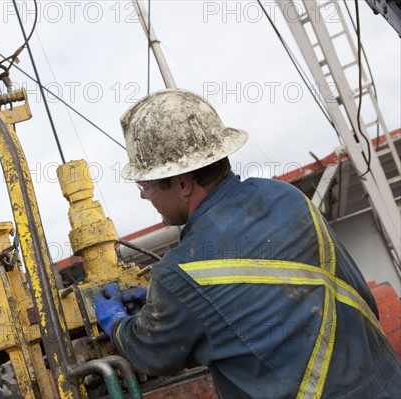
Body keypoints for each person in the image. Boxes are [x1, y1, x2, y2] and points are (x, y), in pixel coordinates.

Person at [94, 89, 401, 398]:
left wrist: (118, 323)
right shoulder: (288, 197)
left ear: (183, 184)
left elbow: (152, 352)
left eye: (145, 184)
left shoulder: (179, 274)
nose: (143, 196)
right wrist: (170, 303)